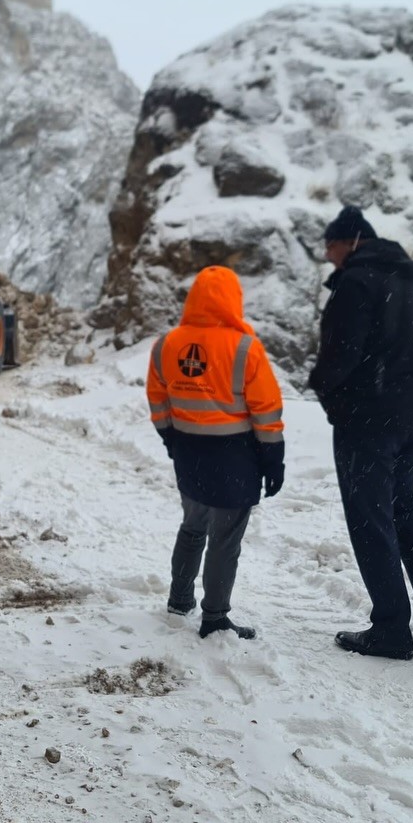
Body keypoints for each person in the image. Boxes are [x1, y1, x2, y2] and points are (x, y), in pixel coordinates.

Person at [308, 205, 413, 660]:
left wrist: (328, 395)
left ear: (348, 241)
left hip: (370, 416)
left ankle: (391, 629)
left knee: (370, 519)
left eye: (330, 247)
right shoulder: (411, 278)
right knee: (403, 508)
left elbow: (341, 354)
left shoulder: (356, 281)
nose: (329, 257)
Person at [147, 266, 285, 640]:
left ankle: (179, 598)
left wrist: (171, 440)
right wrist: (273, 461)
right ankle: (215, 617)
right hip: (234, 457)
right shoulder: (245, 347)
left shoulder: (166, 344)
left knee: (192, 526)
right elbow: (267, 411)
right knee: (225, 539)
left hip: (188, 454)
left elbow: (158, 402)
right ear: (232, 300)